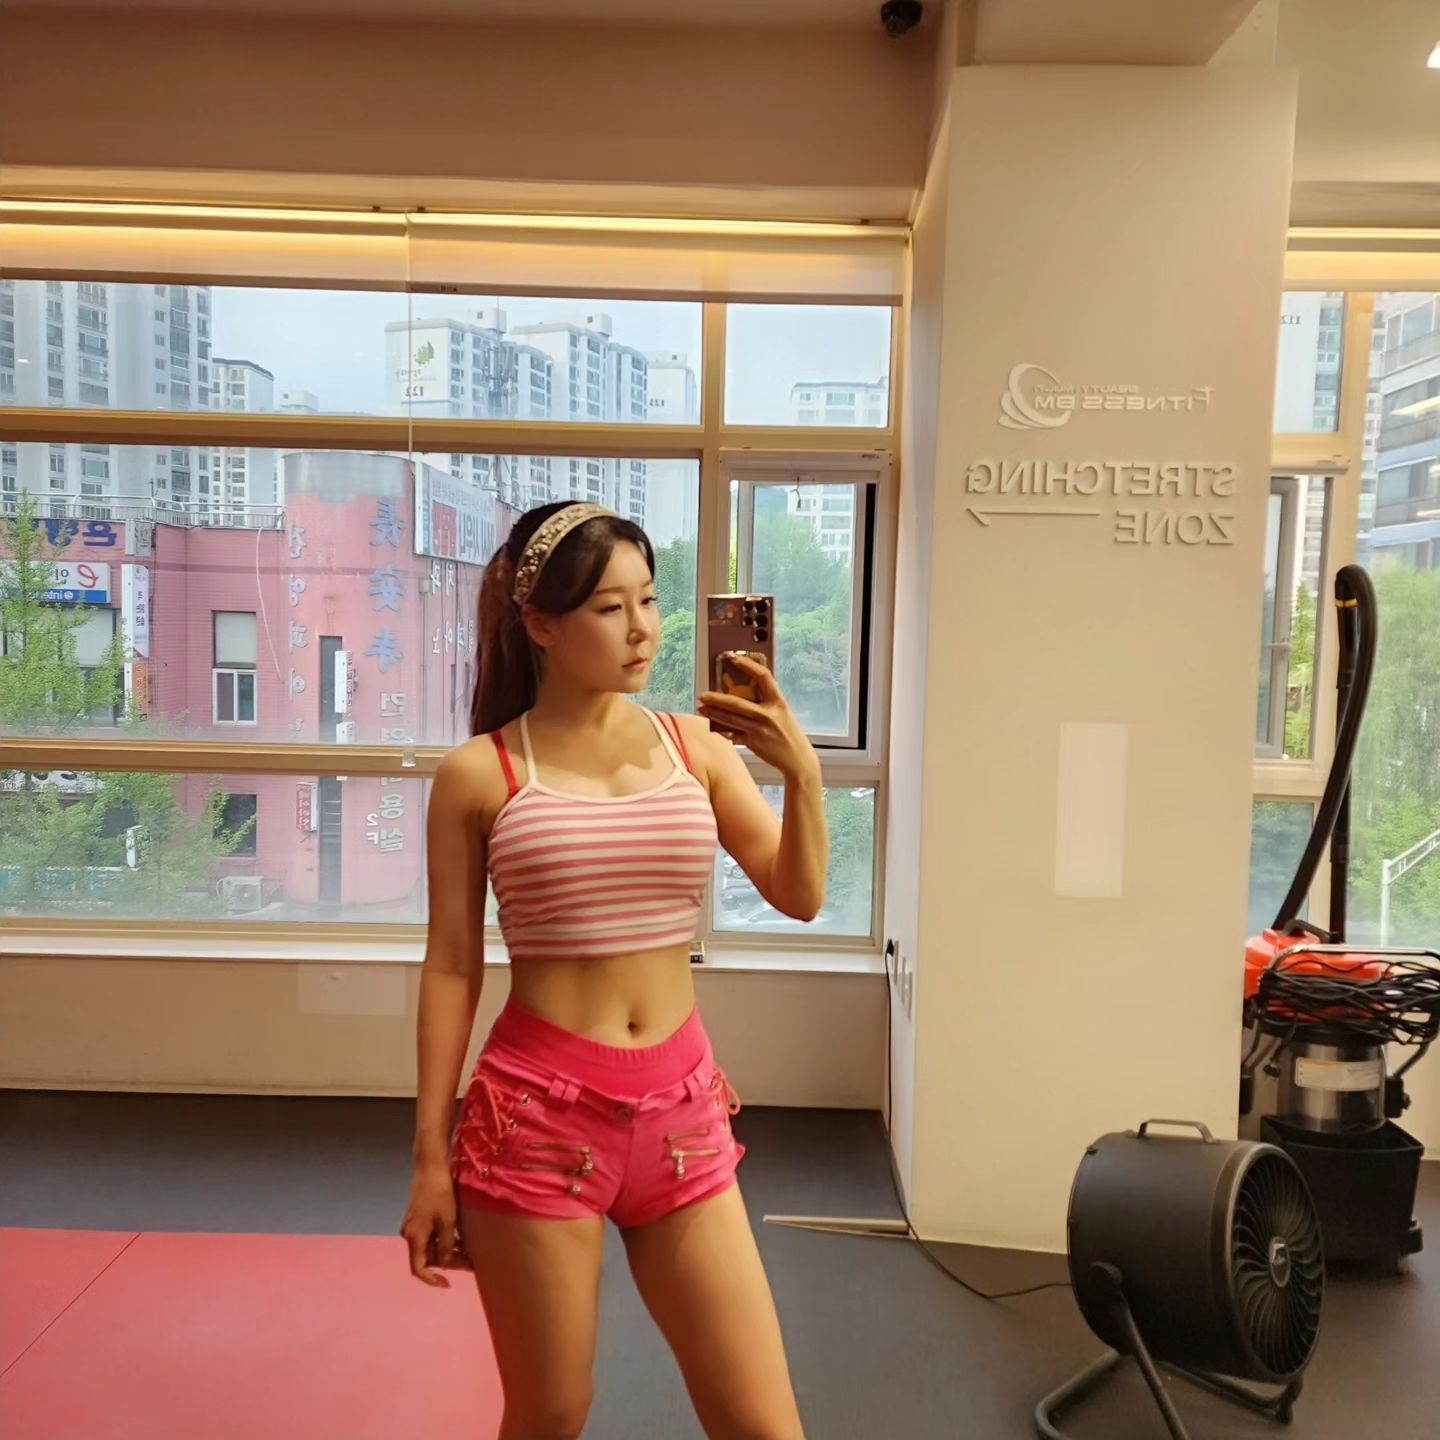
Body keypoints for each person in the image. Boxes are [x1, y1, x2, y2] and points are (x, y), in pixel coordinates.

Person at [400, 501, 827, 1440]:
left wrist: (801, 773)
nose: (641, 629)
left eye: (649, 599)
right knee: (551, 1413)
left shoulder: (697, 749)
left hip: (683, 1114)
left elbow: (798, 894)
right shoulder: (480, 774)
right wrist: (431, 1157)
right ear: (540, 624)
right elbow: (451, 968)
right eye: (607, 607)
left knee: (765, 1426)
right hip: (535, 1121)